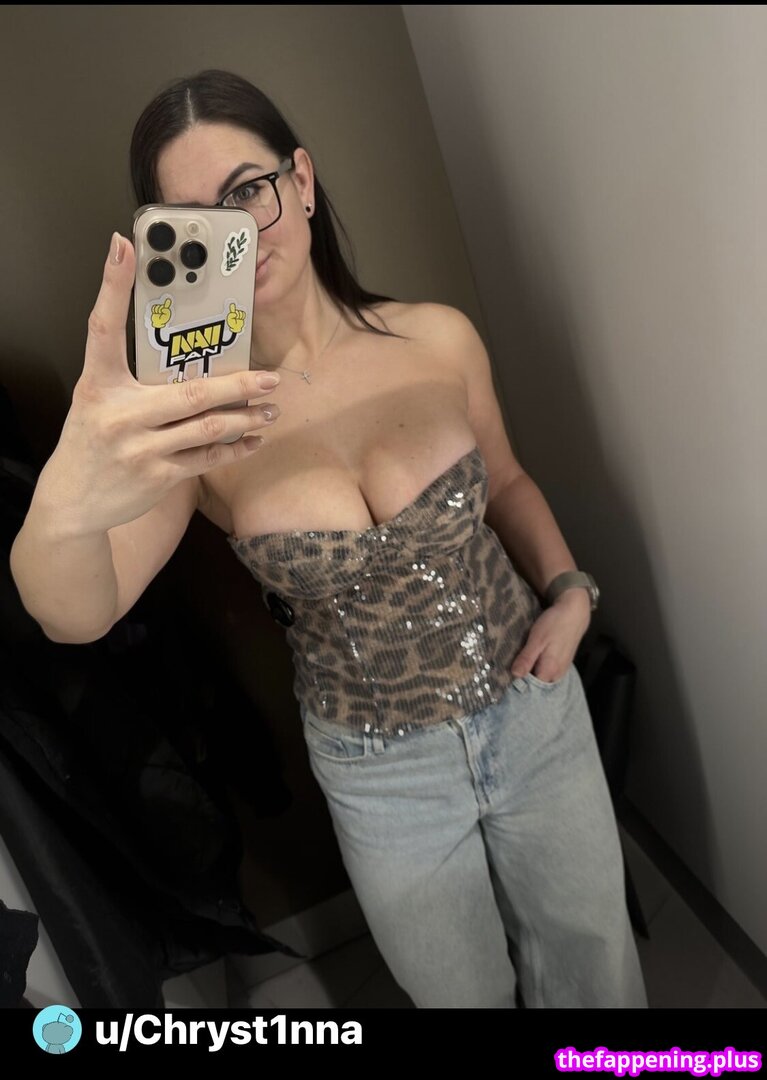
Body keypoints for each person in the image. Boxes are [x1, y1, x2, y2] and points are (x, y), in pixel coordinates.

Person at [10, 69, 648, 1009]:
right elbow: (76, 614)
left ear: (300, 181)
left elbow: (508, 482)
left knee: (597, 970)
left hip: (533, 709)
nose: (237, 233)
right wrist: (66, 492)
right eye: (198, 220)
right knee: (459, 998)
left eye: (247, 191)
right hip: (381, 773)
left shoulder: (436, 339)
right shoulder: (198, 429)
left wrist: (572, 593)